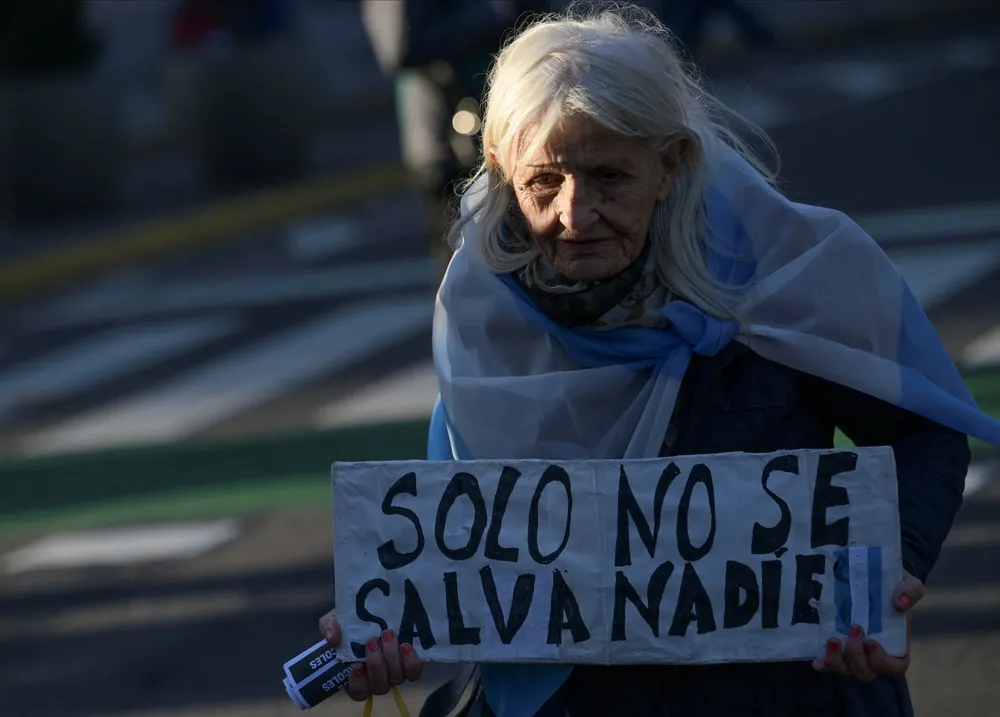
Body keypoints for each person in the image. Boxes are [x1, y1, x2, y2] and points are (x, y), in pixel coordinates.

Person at [319, 3, 1000, 716]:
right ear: (500, 167)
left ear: (671, 163)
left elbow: (922, 434)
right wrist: (382, 620)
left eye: (610, 177)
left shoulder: (783, 274)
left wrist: (890, 570)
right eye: (543, 181)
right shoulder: (480, 318)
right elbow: (465, 551)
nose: (575, 215)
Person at [361, 0, 552, 273]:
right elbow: (399, 47)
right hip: (452, 148)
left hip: (521, 134)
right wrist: (491, 13)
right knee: (466, 270)